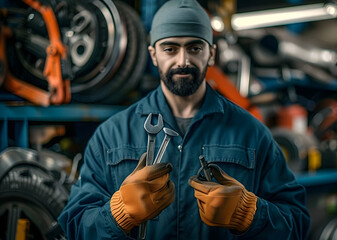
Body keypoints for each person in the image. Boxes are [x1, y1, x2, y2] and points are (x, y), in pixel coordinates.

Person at [58, 0, 311, 239]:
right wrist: (117, 214)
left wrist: (249, 215)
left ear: (211, 54)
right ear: (154, 54)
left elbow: (297, 224)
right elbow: (75, 225)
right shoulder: (111, 135)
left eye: (195, 48)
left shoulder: (252, 133)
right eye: (170, 48)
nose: (183, 61)